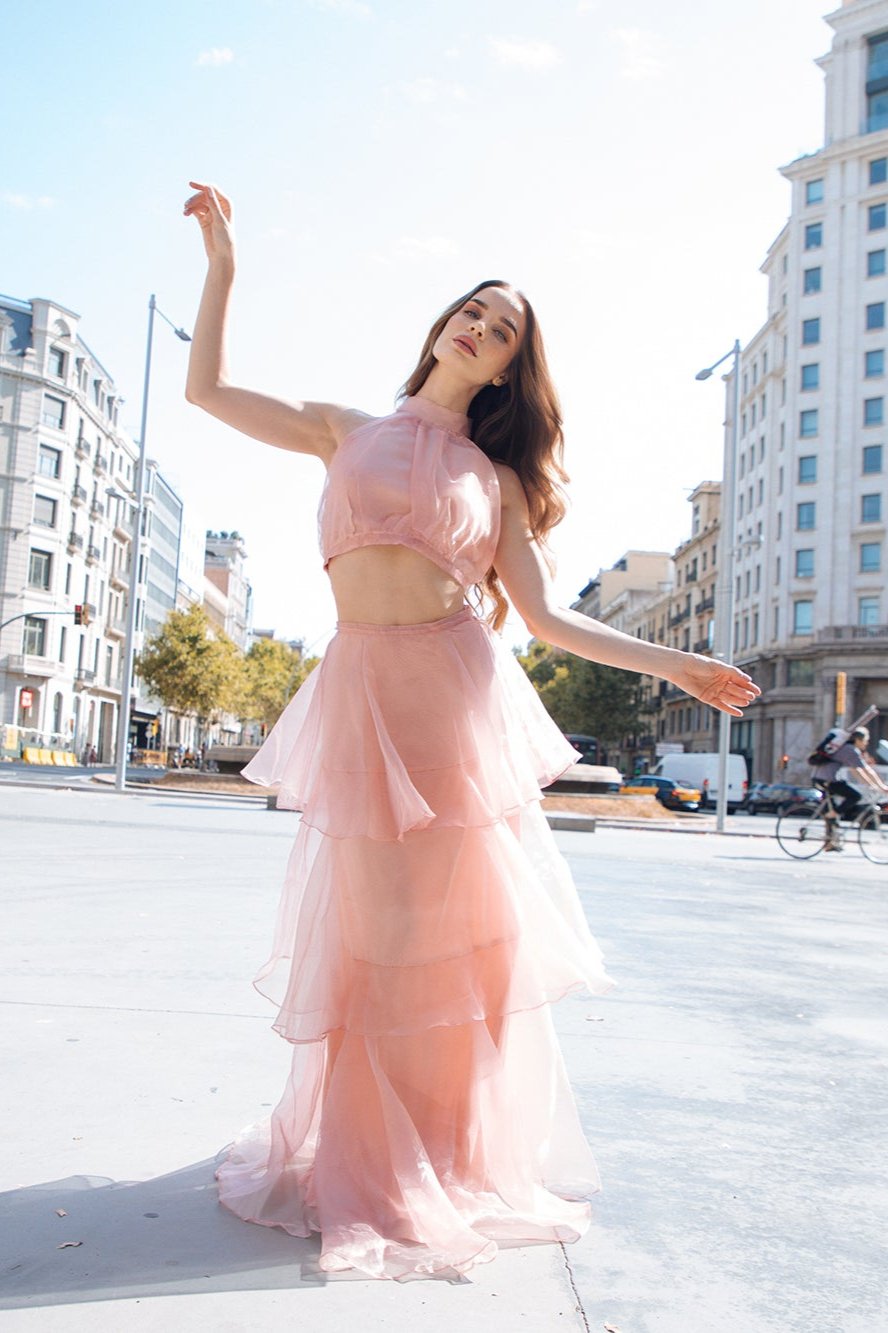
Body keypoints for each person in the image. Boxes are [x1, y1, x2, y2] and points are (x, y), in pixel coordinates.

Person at [183, 180, 760, 1280]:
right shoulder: (340, 427)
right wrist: (225, 271)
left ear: (505, 371)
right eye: (476, 311)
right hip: (360, 689)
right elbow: (205, 388)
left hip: (451, 698)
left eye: (503, 333)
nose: (482, 330)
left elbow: (548, 619)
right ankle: (368, 1152)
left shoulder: (494, 477)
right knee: (367, 934)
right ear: (444, 324)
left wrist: (677, 661)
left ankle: (431, 1154)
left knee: (436, 946)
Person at [812, 726, 888, 850]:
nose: (866, 743)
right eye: (865, 740)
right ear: (858, 740)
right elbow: (866, 770)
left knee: (832, 813)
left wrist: (871, 785)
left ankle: (830, 843)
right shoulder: (850, 750)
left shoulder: (845, 749)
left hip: (822, 778)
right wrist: (881, 787)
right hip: (828, 780)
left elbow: (856, 771)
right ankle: (832, 820)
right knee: (854, 796)